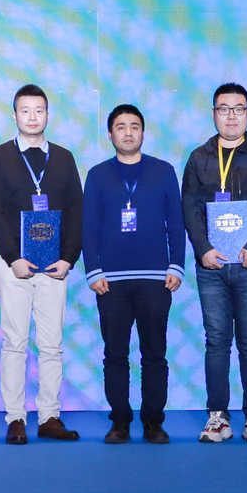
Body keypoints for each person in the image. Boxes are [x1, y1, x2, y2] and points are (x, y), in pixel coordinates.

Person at [181, 83, 247, 444]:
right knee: (216, 341)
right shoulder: (199, 158)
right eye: (223, 109)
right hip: (211, 265)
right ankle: (217, 416)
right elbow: (189, 208)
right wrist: (203, 249)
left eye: (238, 109)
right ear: (214, 114)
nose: (231, 116)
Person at [0, 84, 84, 444]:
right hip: (13, 266)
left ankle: (49, 417)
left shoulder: (64, 158)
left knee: (52, 345)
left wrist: (68, 257)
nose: (32, 117)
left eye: (39, 110)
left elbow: (76, 210)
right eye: (25, 110)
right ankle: (15, 418)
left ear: (47, 114)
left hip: (55, 266)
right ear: (15, 115)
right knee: (14, 343)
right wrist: (13, 258)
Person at [81, 104, 187, 444]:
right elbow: (88, 227)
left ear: (143, 132)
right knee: (115, 354)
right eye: (121, 127)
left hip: (156, 278)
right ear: (110, 134)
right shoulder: (98, 175)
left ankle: (154, 421)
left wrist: (176, 265)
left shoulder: (163, 171)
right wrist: (93, 270)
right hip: (110, 281)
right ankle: (120, 422)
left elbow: (176, 223)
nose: (128, 132)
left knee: (154, 353)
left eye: (134, 126)